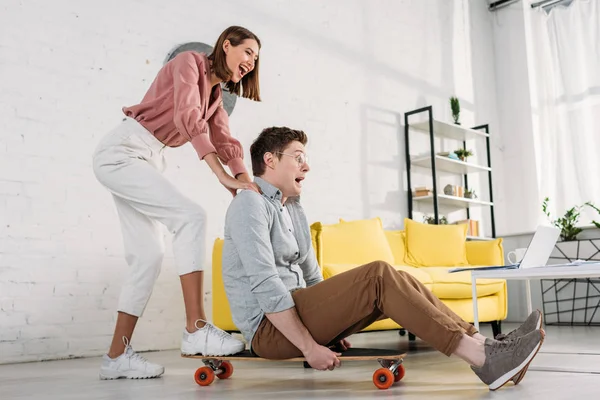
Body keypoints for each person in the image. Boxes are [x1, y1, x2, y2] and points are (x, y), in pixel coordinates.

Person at [221, 126, 546, 391]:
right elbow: (266, 285)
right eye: (298, 157)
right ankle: (484, 359)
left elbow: (312, 275)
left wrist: (336, 321)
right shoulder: (250, 204)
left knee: (397, 276)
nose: (307, 166)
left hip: (299, 313)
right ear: (270, 160)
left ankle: (485, 346)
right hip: (268, 331)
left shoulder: (292, 208)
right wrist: (309, 347)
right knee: (377, 275)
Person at [93, 26, 262, 380]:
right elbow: (188, 116)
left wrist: (245, 183)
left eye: (256, 59)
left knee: (147, 257)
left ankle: (115, 357)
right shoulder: (189, 63)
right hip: (124, 151)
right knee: (191, 217)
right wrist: (222, 178)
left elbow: (224, 138)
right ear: (226, 45)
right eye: (248, 52)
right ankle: (196, 327)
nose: (251, 62)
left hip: (148, 158)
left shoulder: (215, 94)